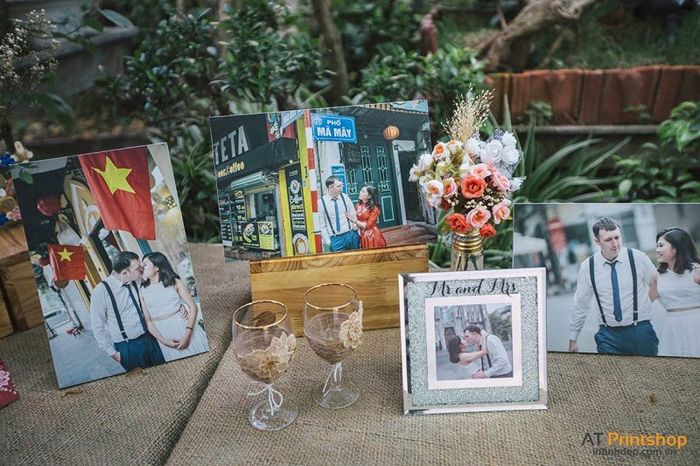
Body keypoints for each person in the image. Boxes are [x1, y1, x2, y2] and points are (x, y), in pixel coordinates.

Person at [569, 217, 659, 355]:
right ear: (597, 241)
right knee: (610, 370)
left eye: (617, 237)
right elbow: (581, 304)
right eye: (608, 240)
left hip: (640, 330)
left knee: (647, 369)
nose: (615, 244)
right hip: (608, 336)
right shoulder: (588, 267)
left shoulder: (638, 258)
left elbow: (660, 285)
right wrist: (573, 339)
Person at [90, 251, 168, 371]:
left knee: (165, 372)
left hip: (150, 338)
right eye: (137, 268)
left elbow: (158, 288)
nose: (141, 269)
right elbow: (97, 326)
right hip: (127, 348)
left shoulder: (137, 279)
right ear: (124, 273)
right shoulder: (101, 291)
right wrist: (113, 353)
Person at [139, 252, 209, 361]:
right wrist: (164, 341)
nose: (142, 268)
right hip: (163, 333)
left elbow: (193, 307)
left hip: (183, 326)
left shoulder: (174, 282)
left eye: (145, 264)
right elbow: (148, 321)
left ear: (157, 267)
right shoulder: (142, 290)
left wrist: (187, 335)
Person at [651, 227, 700, 357]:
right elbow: (650, 303)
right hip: (672, 327)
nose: (657, 250)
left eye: (661, 246)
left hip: (696, 324)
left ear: (676, 247)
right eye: (657, 246)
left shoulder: (697, 271)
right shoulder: (657, 275)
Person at [318, 176, 360, 252]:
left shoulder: (345, 197)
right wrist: (329, 242)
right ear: (330, 187)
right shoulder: (321, 202)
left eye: (341, 185)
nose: (341, 187)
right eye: (338, 186)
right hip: (336, 240)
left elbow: (353, 213)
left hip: (351, 235)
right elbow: (322, 225)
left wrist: (355, 229)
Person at [346, 185, 387, 249]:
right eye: (361, 191)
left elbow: (367, 225)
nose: (360, 192)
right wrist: (354, 223)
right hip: (361, 234)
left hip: (372, 236)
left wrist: (355, 221)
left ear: (369, 196)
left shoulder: (375, 208)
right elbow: (355, 217)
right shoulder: (359, 205)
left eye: (363, 192)